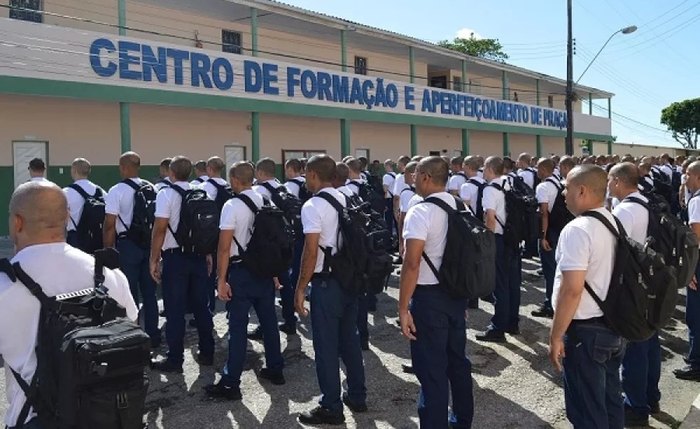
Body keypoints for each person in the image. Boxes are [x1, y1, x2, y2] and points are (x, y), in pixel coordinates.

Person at [0, 181, 138, 429]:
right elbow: (131, 325)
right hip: (107, 416)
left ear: (17, 222)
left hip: (37, 420)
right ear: (67, 217)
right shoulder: (108, 274)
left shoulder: (5, 286)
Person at [399, 156, 474, 429]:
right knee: (457, 363)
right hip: (455, 295)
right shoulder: (460, 207)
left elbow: (412, 262)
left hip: (429, 299)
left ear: (426, 177)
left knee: (431, 372)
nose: (413, 179)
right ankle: (462, 421)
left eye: (416, 174)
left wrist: (403, 307)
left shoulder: (421, 211)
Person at [548, 164, 624, 429]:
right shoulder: (614, 222)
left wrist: (556, 335)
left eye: (566, 187)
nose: (563, 194)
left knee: (587, 413)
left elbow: (572, 289)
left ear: (581, 191)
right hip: (613, 326)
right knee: (610, 402)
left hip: (586, 333)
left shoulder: (578, 229)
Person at [295, 155, 367, 425]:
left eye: (306, 175)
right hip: (350, 279)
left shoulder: (313, 205)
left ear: (313, 174)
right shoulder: (346, 197)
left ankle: (331, 406)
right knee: (350, 339)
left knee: (326, 347)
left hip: (327, 283)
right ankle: (358, 395)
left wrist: (300, 288)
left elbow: (311, 250)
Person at [205, 161, 285, 401]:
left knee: (237, 327)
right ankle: (275, 368)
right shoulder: (265, 200)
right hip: (264, 270)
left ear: (234, 180)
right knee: (269, 321)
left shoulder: (232, 205)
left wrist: (221, 280)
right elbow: (271, 241)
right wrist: (274, 273)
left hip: (241, 272)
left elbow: (224, 247)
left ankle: (231, 382)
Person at [149, 156, 215, 373]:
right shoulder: (200, 192)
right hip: (198, 256)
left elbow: (159, 229)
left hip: (175, 259)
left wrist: (154, 258)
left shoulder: (165, 194)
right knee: (201, 306)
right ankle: (207, 352)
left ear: (171, 173)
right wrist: (206, 253)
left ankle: (175, 360)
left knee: (175, 310)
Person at [607, 162, 660, 426]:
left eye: (609, 180)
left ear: (618, 180)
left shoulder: (624, 210)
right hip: (649, 281)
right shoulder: (646, 202)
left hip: (633, 285)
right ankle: (651, 396)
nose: (608, 184)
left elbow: (616, 251)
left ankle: (636, 406)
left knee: (635, 348)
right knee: (650, 342)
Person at [103, 152, 161, 348]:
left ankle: (134, 337)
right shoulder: (151, 187)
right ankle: (153, 335)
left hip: (128, 246)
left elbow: (110, 224)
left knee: (129, 292)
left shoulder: (116, 190)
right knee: (150, 294)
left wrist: (108, 250)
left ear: (123, 167)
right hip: (149, 245)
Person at [250, 157, 298, 336]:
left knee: (267, 286)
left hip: (267, 244)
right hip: (285, 241)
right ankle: (290, 320)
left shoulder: (258, 191)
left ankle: (265, 326)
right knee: (285, 282)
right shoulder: (282, 187)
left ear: (261, 173)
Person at [476, 156, 520, 342]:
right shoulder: (511, 181)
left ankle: (498, 327)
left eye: (484, 168)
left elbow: (490, 218)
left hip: (499, 239)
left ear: (490, 169)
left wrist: (487, 242)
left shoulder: (490, 189)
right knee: (512, 282)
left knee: (500, 284)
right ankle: (512, 322)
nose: (483, 171)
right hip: (514, 237)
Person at [675, 160, 700, 381]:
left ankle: (696, 363)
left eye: (688, 175)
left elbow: (695, 238)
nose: (685, 178)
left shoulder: (697, 202)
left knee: (695, 315)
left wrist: (690, 269)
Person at [531, 158, 560, 319]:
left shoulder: (543, 186)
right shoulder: (558, 181)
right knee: (556, 269)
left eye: (537, 168)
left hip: (549, 232)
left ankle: (550, 304)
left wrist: (543, 236)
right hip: (558, 229)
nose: (536, 171)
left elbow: (543, 213)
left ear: (543, 169)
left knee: (550, 271)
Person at [201, 156, 229, 312]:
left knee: (209, 274)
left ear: (209, 169)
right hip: (228, 234)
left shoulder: (205, 187)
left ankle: (209, 309)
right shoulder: (229, 186)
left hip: (211, 235)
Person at [64, 158, 104, 249]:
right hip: (96, 238)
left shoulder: (66, 192)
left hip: (74, 238)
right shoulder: (100, 191)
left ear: (74, 170)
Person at [383, 159, 397, 234]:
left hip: (388, 199)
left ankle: (389, 235)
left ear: (387, 166)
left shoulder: (386, 176)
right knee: (395, 218)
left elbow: (385, 189)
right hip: (395, 198)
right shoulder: (396, 175)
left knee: (388, 219)